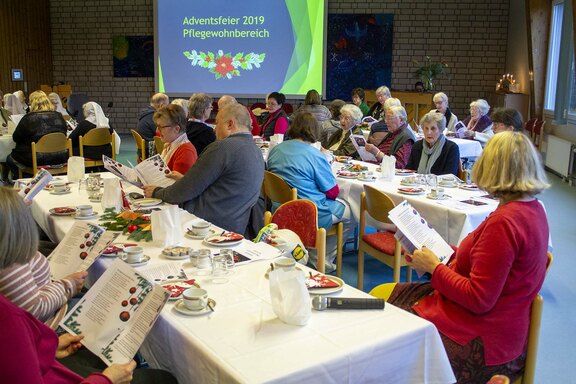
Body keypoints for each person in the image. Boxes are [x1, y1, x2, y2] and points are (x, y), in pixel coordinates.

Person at [387, 132, 550, 382]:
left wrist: (435, 268)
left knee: (389, 332)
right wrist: (442, 254)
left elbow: (478, 298)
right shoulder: (533, 209)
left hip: (483, 341)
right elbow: (491, 263)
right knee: (390, 305)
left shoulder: (505, 222)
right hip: (505, 331)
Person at [0, 188, 176, 384]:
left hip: (46, 350)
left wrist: (47, 346)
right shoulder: (10, 319)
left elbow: (20, 356)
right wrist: (107, 380)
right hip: (56, 358)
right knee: (162, 378)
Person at [143, 103, 265, 236]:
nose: (214, 129)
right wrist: (185, 179)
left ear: (230, 124)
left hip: (205, 225)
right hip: (236, 226)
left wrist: (156, 192)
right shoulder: (257, 152)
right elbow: (224, 186)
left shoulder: (222, 148)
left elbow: (185, 190)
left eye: (217, 123)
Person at [267, 112, 353, 272]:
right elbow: (332, 192)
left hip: (279, 209)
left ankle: (312, 252)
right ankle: (322, 259)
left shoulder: (276, 150)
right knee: (351, 212)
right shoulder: (314, 155)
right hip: (310, 213)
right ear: (314, 131)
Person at [7, 91, 68, 178]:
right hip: (61, 156)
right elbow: (64, 133)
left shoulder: (29, 118)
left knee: (10, 159)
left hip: (39, 158)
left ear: (32, 103)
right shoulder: (59, 116)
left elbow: (16, 137)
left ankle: (26, 180)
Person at [405, 111, 460, 175]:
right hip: (417, 184)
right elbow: (409, 171)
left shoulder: (451, 148)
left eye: (433, 128)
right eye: (426, 128)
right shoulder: (417, 146)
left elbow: (450, 175)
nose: (429, 132)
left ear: (441, 130)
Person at [155, 104, 197, 175]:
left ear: (177, 129)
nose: (158, 131)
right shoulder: (170, 144)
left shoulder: (186, 151)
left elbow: (179, 185)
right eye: (157, 126)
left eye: (161, 127)